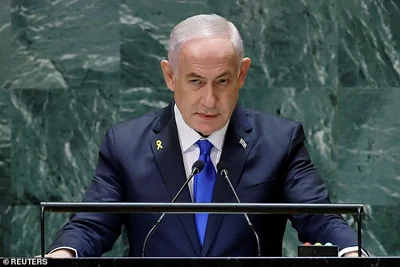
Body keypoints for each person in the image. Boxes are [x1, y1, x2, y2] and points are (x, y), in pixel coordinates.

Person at [44, 14, 367, 258]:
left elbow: (319, 218)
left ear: (241, 74)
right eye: (196, 81)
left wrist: (352, 252)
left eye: (223, 82)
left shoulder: (279, 141)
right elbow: (93, 223)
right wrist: (63, 254)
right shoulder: (126, 143)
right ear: (170, 76)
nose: (210, 100)